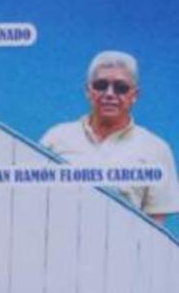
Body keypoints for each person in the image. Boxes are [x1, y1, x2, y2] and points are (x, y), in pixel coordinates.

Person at [41, 51, 179, 224]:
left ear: (134, 95)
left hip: (122, 241)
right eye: (101, 85)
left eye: (121, 88)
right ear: (88, 91)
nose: (109, 94)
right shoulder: (55, 138)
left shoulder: (156, 150)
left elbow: (155, 227)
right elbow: (34, 199)